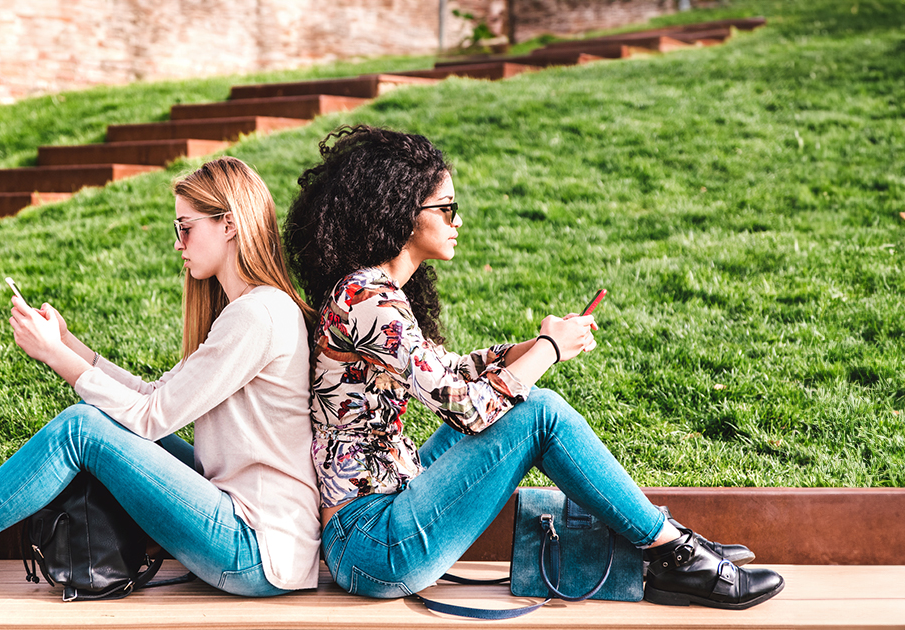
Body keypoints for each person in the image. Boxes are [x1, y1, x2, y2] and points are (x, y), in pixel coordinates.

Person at [282, 125, 784, 610]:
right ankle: (675, 552)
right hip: (374, 545)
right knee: (538, 413)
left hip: (390, 503)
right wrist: (549, 349)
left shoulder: (373, 291)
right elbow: (465, 410)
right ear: (403, 213)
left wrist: (526, 347)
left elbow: (446, 370)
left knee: (524, 409)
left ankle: (670, 546)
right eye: (448, 208)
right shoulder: (367, 299)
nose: (458, 220)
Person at [0, 156, 321, 597]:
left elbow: (151, 417)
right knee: (95, 421)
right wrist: (68, 345)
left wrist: (57, 357)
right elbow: (155, 397)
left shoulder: (258, 316)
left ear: (229, 224)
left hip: (257, 549)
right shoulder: (249, 311)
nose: (178, 245)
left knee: (81, 428)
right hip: (246, 528)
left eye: (186, 228)